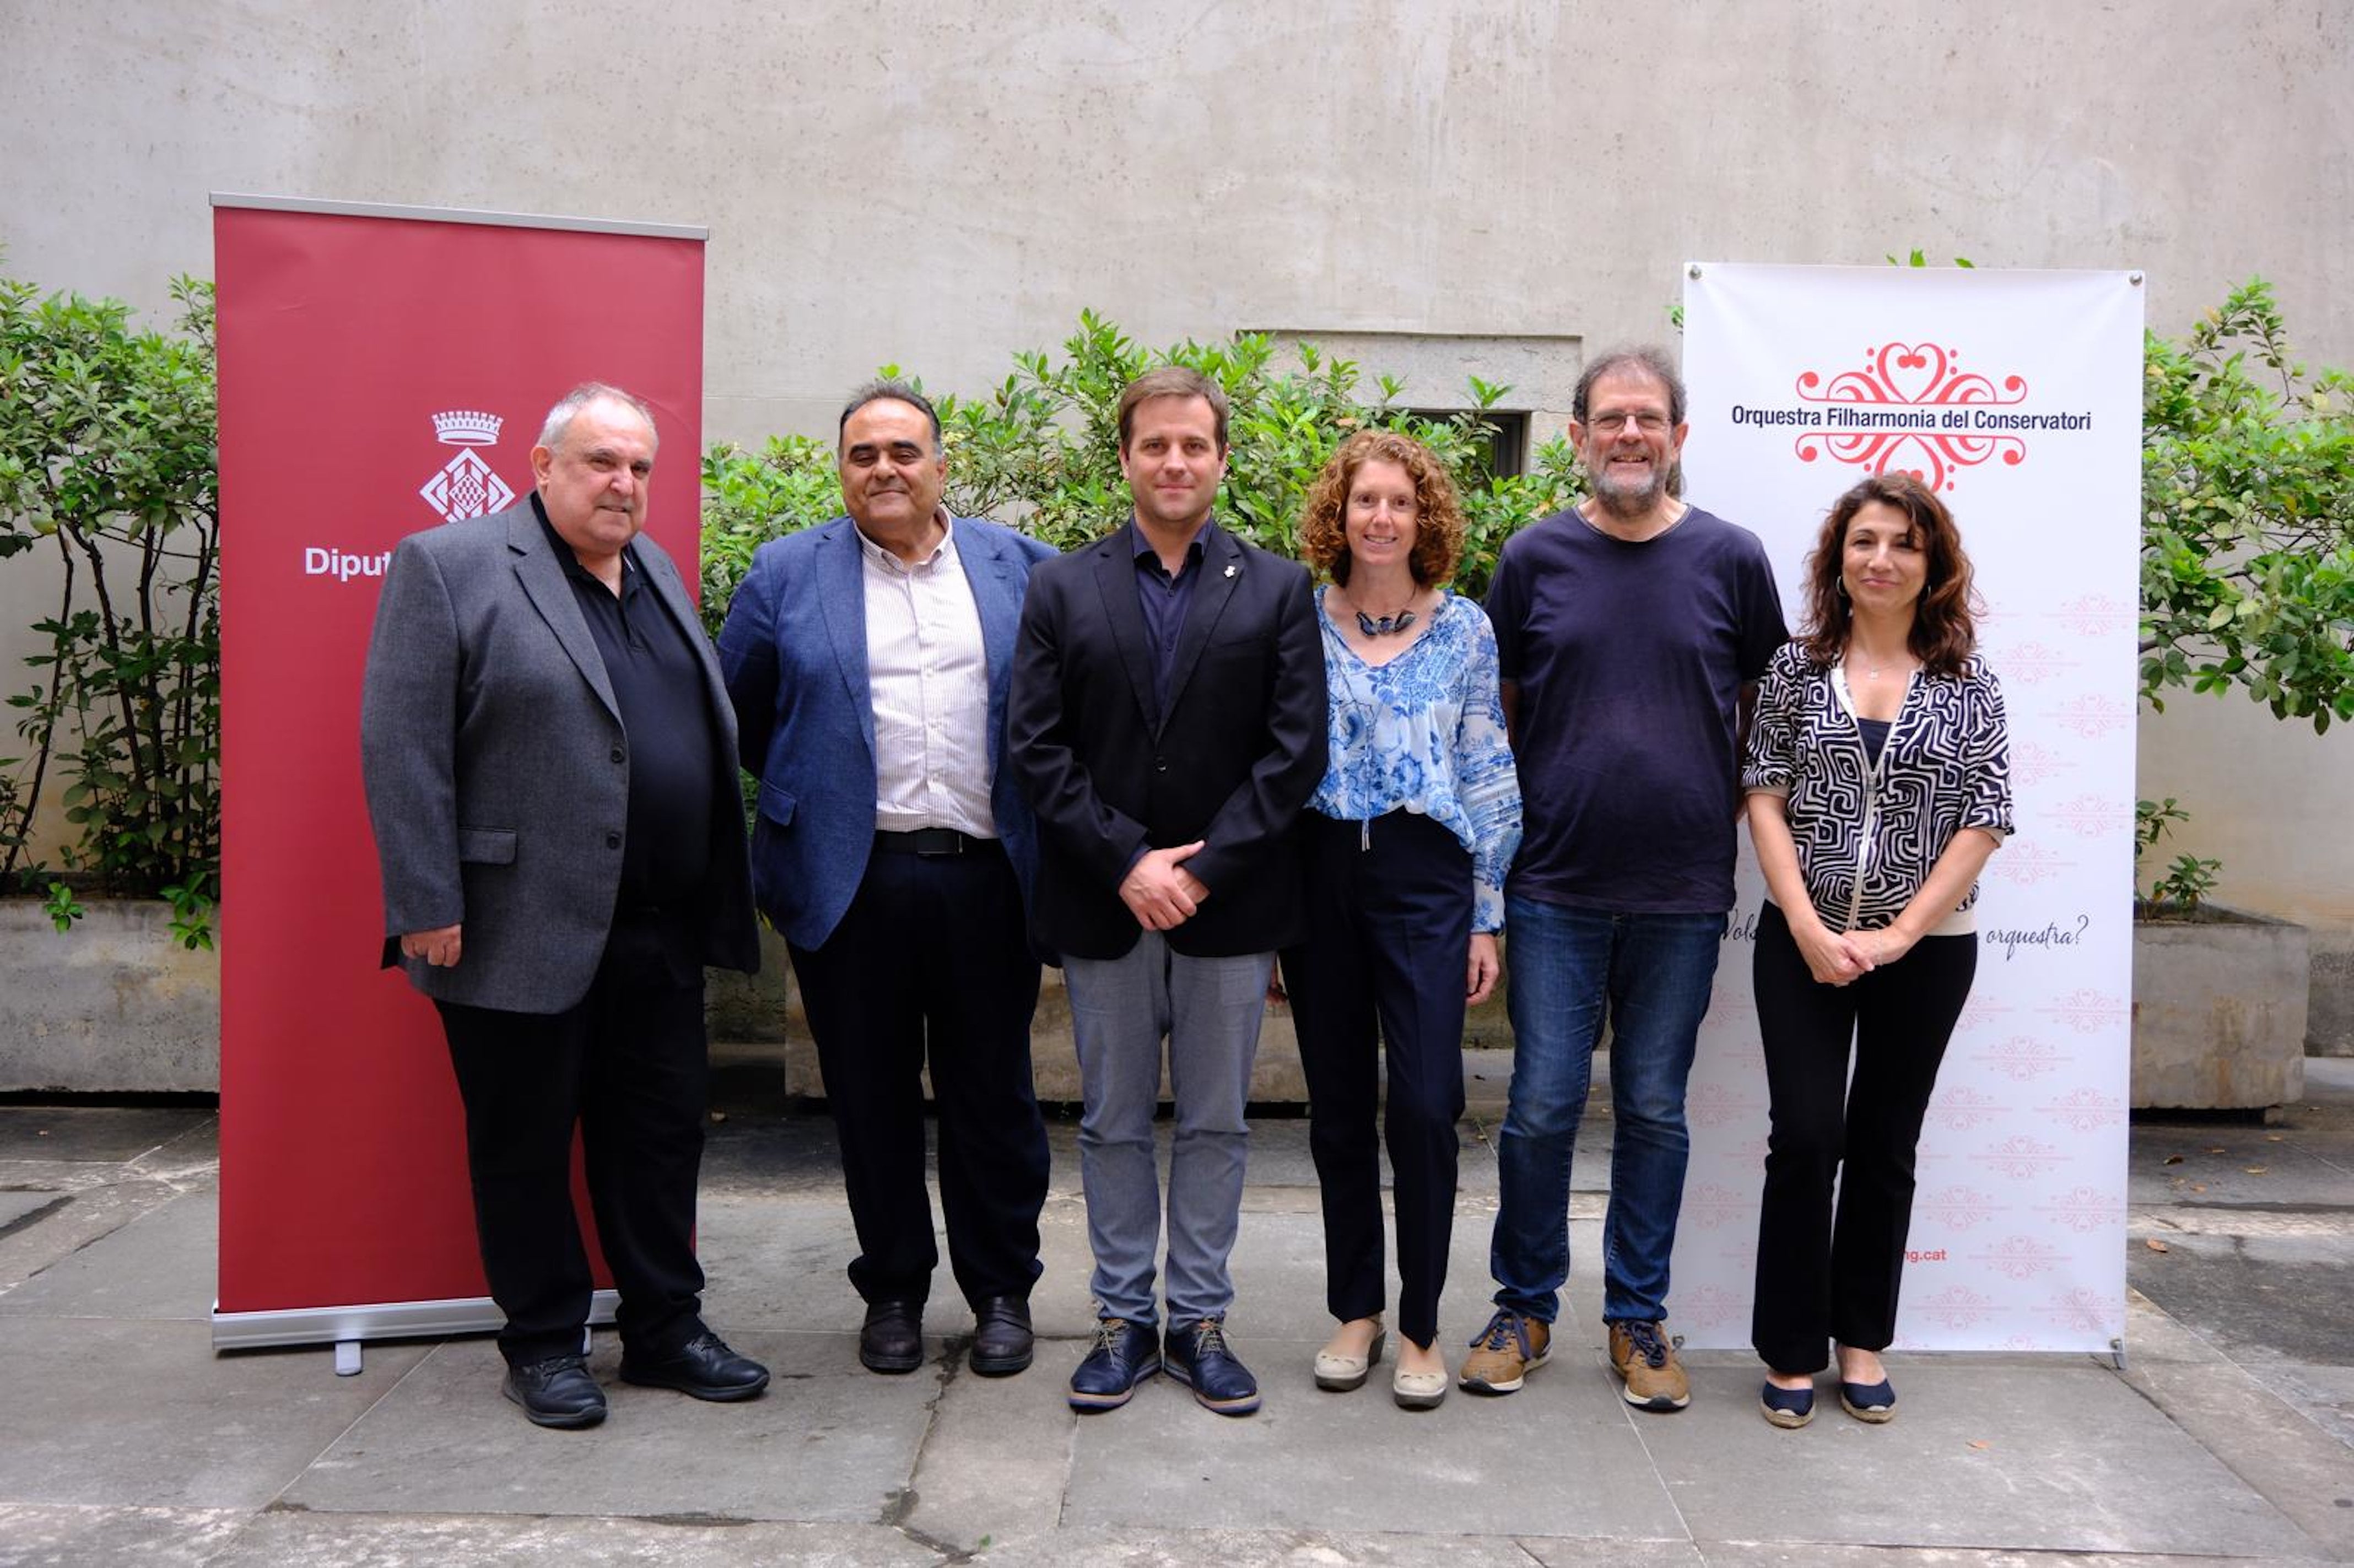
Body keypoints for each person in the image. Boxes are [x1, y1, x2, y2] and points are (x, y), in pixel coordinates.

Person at [360, 382, 768, 1430]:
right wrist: (426, 899)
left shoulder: (659, 571)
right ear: (542, 467)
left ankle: (666, 1327)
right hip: (511, 923)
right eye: (600, 462)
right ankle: (543, 1342)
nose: (623, 484)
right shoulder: (448, 565)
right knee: (524, 1142)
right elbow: (401, 745)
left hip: (660, 930)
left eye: (639, 467)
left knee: (659, 1138)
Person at [1465, 347, 1786, 1411]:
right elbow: (1502, 714)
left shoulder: (1733, 560)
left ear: (1679, 437)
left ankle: (1638, 1319)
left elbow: (1763, 716)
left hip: (1684, 890)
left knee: (1653, 1108)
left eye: (1649, 418)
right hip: (1552, 883)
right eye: (1611, 419)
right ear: (1577, 437)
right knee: (1542, 1106)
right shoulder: (1533, 557)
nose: (1630, 435)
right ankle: (1524, 1307)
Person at [717, 380, 1056, 1380]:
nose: (884, 470)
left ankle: (1002, 1290)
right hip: (848, 880)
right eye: (864, 454)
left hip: (987, 877)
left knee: (994, 1096)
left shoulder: (1020, 569)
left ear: (941, 464)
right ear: (842, 470)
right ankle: (896, 1291)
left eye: (904, 451)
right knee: (869, 1099)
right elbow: (740, 710)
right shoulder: (786, 572)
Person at [1007, 366, 1327, 1416]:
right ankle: (1120, 1319)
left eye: (1194, 444)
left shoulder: (1278, 589)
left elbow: (1293, 756)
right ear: (1128, 458)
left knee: (1218, 1123)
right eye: (1156, 445)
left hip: (1227, 906)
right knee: (1107, 1121)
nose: (1176, 461)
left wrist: (1199, 866)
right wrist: (1127, 861)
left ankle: (1197, 1319)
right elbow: (1037, 747)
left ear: (1222, 457)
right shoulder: (1062, 586)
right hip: (1106, 900)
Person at [1743, 471, 2011, 1428]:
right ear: (1839, 557)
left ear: (1930, 561)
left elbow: (1987, 816)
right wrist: (1812, 928)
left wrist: (1898, 934)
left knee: (1886, 1144)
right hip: (1801, 940)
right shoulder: (1794, 668)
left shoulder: (1966, 678)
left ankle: (1862, 1340)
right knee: (1807, 1135)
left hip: (1929, 948)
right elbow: (1762, 793)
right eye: (1864, 540)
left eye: (1903, 541)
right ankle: (1788, 1346)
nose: (1882, 558)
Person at [1279, 430, 1521, 1411]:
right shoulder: (1298, 622)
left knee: (1424, 1105)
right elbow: (1275, 764)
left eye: (1400, 502)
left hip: (1428, 875)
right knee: (1338, 1106)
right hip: (1320, 872)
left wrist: (1487, 911)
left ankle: (1421, 1320)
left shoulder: (1465, 628)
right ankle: (1357, 1310)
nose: (1381, 517)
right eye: (1364, 500)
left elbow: (1488, 767)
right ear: (1338, 516)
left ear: (1425, 519)